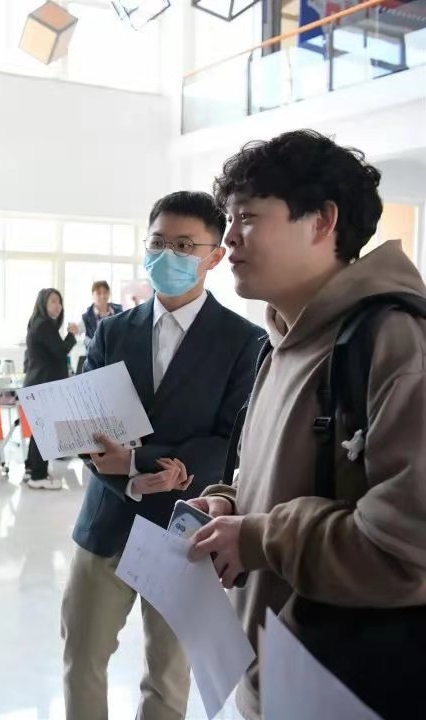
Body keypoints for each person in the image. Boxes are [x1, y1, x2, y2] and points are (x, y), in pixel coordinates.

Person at [189, 130, 426, 719]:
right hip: (271, 678)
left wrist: (258, 537)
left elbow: (406, 553)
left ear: (322, 221)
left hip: (345, 686)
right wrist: (228, 507)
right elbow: (281, 479)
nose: (229, 237)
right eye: (229, 218)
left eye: (248, 217)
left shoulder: (394, 341)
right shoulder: (280, 343)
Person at [61, 191, 264, 720]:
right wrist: (128, 476)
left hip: (183, 530)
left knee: (168, 675)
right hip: (107, 520)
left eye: (184, 245)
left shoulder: (244, 341)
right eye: (157, 243)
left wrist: (140, 464)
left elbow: (230, 440)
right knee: (82, 659)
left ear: (214, 256)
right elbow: (85, 424)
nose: (166, 255)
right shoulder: (113, 331)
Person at [23, 288, 80, 490]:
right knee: (44, 430)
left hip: (39, 383)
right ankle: (38, 476)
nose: (58, 306)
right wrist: (72, 335)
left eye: (59, 302)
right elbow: (60, 351)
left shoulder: (39, 324)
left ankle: (31, 468)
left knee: (39, 430)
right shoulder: (44, 325)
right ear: (43, 303)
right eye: (53, 301)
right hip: (43, 384)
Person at [79, 280, 123, 373]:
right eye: (98, 293)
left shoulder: (119, 311)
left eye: (105, 292)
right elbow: (83, 338)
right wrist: (97, 345)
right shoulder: (86, 317)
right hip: (95, 361)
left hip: (116, 359)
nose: (102, 296)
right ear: (93, 295)